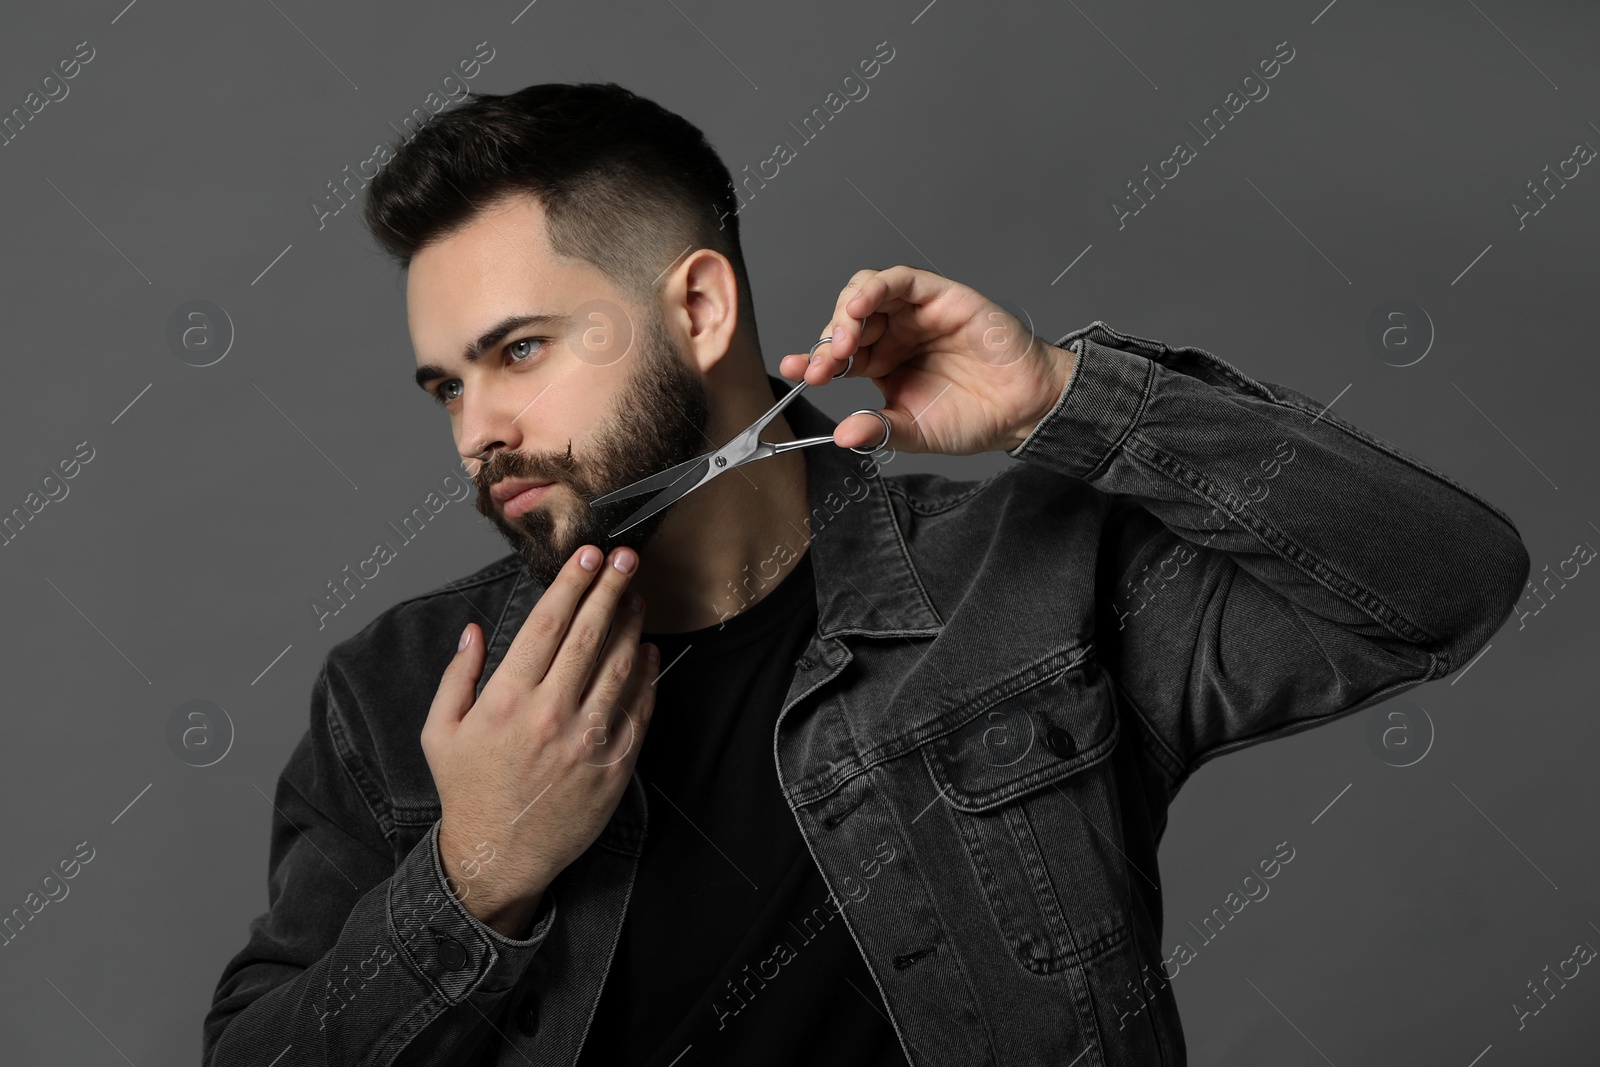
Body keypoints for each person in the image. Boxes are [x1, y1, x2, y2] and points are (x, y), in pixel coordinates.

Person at [202, 83, 1531, 1067]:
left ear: (701, 310)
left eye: (522, 350)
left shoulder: (1022, 584)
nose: (477, 429)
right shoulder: (401, 696)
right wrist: (475, 872)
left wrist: (1070, 400)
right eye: (448, 385)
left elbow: (1442, 582)